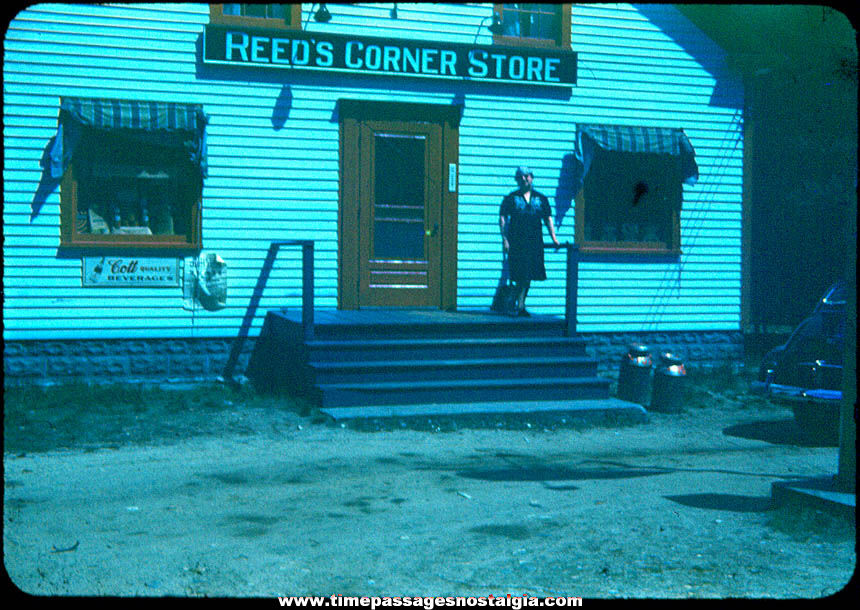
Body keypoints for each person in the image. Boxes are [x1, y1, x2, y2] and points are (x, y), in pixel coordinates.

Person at [499, 166, 560, 317]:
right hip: (517, 242)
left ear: (532, 177)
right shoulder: (511, 198)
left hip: (534, 242)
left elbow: (548, 219)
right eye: (521, 177)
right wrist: (505, 240)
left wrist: (553, 237)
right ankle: (518, 304)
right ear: (517, 180)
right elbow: (503, 218)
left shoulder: (541, 198)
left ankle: (519, 304)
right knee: (520, 273)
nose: (524, 179)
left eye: (527, 176)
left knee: (529, 273)